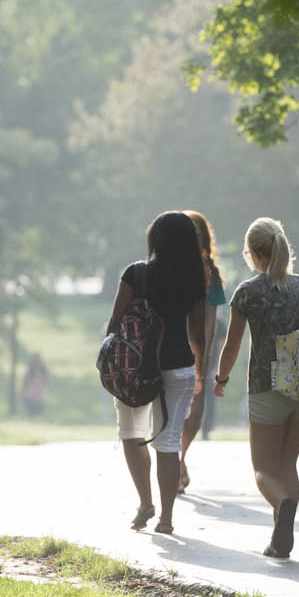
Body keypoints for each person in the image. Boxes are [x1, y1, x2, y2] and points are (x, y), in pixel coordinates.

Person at [213, 217, 299, 559]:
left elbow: (232, 346)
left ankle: (283, 505)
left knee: (264, 471)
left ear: (253, 255)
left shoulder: (248, 292)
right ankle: (279, 541)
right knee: (286, 464)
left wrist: (221, 379)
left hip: (267, 390)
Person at [107, 211, 208, 535]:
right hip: (179, 367)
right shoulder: (196, 280)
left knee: (132, 433)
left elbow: (115, 322)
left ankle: (145, 502)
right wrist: (200, 368)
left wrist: (112, 361)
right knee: (168, 442)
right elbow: (198, 334)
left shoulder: (136, 274)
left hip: (135, 367)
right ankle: (166, 519)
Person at [178, 210, 228, 491]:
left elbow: (210, 321)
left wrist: (204, 361)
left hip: (198, 353)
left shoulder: (212, 274)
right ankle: (174, 463)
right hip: (170, 351)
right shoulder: (165, 268)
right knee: (171, 412)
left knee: (195, 414)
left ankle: (181, 457)